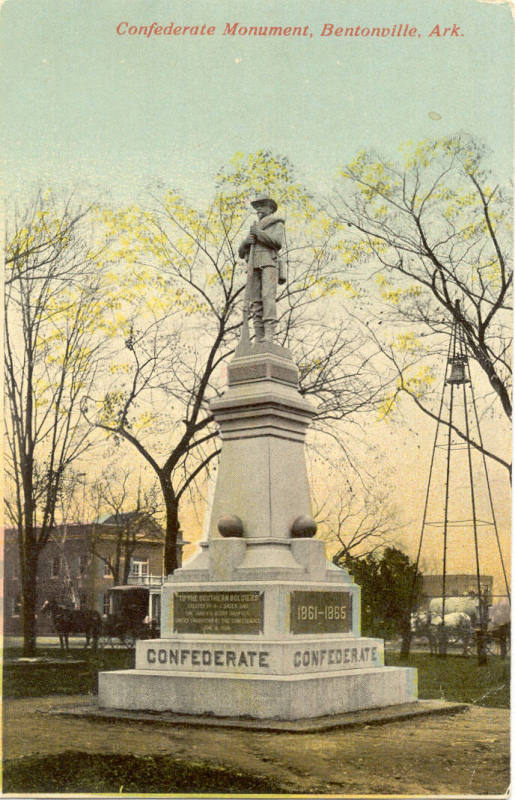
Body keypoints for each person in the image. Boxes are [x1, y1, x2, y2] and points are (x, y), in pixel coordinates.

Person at [238, 193, 285, 342]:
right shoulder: (254, 227)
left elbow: (277, 242)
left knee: (267, 297)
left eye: (261, 205)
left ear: (270, 208)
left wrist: (259, 234)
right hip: (253, 264)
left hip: (269, 262)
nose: (258, 208)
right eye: (256, 206)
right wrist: (246, 242)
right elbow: (241, 253)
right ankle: (259, 335)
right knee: (255, 300)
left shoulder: (277, 223)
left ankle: (269, 333)